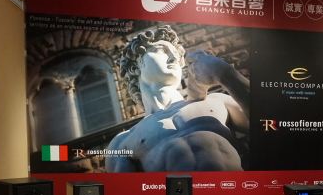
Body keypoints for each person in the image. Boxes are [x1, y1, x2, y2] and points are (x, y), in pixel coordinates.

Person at [105, 25, 249, 172]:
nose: (173, 57)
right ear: (136, 66)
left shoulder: (216, 101)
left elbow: (264, 124)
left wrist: (225, 75)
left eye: (175, 54)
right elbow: (127, 186)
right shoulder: (122, 142)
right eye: (162, 50)